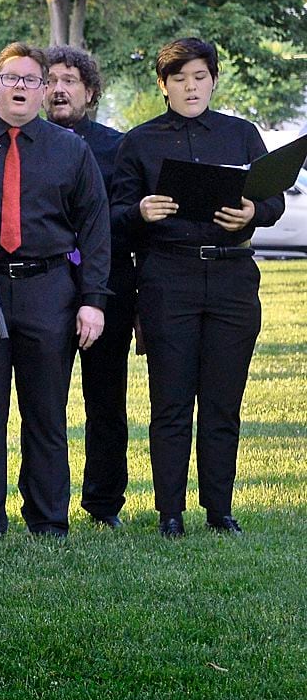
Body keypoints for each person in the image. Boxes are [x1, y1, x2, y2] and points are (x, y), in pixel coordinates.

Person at [110, 37, 279, 537]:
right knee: (171, 401)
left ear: (213, 80)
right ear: (163, 85)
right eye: (180, 78)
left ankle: (220, 510)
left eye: (200, 77)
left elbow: (272, 202)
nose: (191, 87)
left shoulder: (242, 134)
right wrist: (141, 211)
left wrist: (253, 212)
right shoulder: (138, 142)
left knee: (224, 401)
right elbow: (117, 214)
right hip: (168, 277)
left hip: (232, 278)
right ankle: (170, 512)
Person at [0, 44, 109, 538]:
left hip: (49, 290)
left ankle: (48, 518)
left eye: (31, 80)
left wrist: (93, 301)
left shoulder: (70, 150)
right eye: (10, 78)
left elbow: (95, 230)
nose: (20, 87)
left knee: (46, 414)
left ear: (42, 90)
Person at [45, 45, 134, 527]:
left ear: (90, 92)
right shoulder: (25, 142)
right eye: (52, 80)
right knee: (45, 402)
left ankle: (103, 503)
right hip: (47, 291)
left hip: (107, 289)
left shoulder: (116, 147)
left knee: (105, 401)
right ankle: (46, 500)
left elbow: (126, 222)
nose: (59, 89)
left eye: (70, 81)